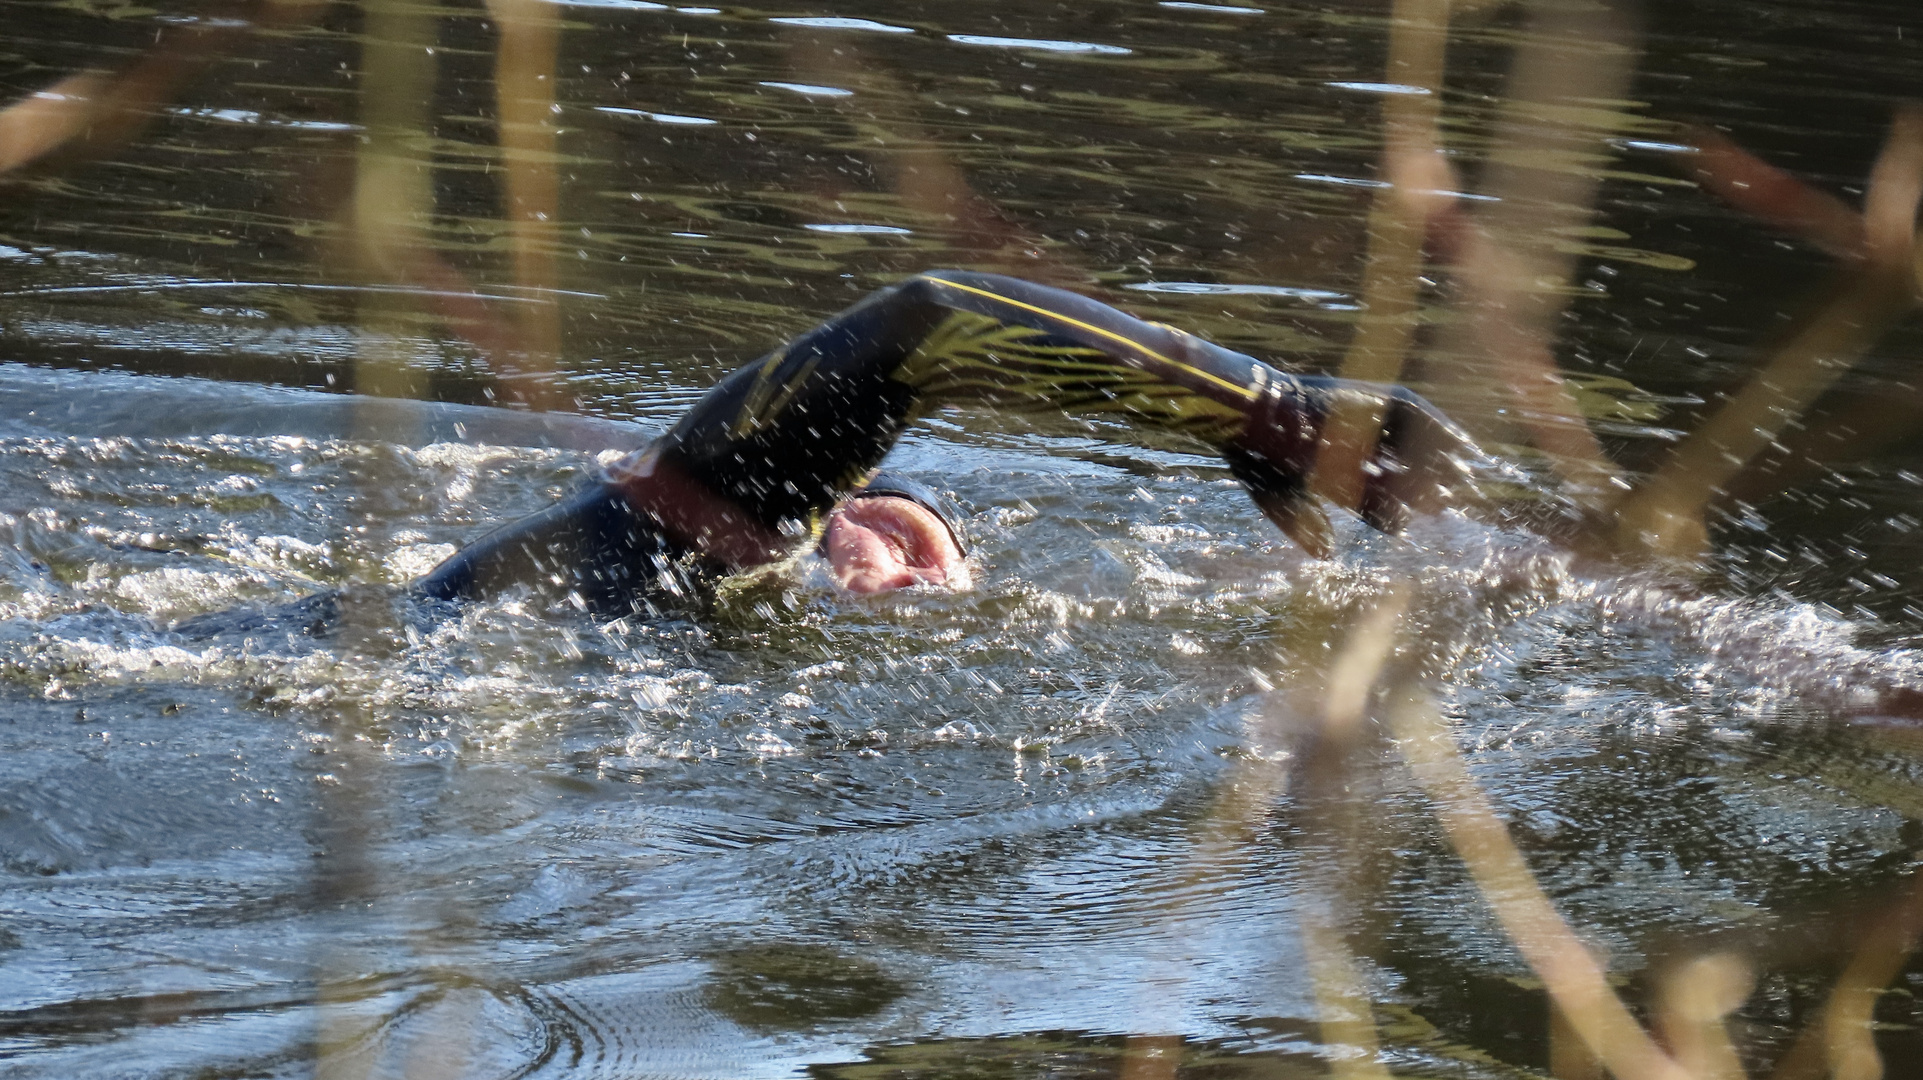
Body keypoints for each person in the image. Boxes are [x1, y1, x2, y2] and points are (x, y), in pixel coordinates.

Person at [184, 269, 1479, 633]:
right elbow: (926, 321)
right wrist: (1261, 411)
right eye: (892, 534)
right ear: (825, 507)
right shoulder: (665, 540)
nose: (904, 579)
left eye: (934, 574)